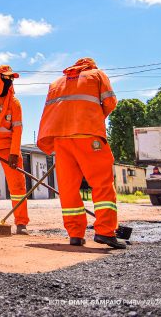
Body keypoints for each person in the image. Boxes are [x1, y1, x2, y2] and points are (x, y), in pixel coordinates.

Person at [36, 57, 125, 249]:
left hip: (61, 138)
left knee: (68, 187)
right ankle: (105, 232)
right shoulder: (97, 75)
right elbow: (109, 102)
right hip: (88, 134)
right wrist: (92, 118)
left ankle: (75, 234)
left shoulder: (56, 83)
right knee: (101, 183)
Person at [0, 65, 29, 235]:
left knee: (18, 187)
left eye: (11, 79)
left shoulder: (15, 103)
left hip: (8, 149)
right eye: (6, 78)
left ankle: (21, 223)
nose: (10, 81)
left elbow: (18, 129)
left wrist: (13, 153)